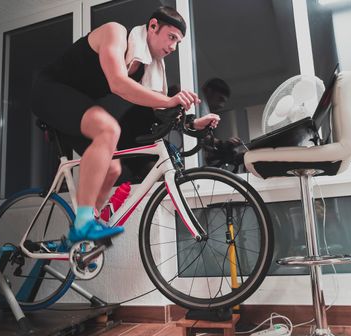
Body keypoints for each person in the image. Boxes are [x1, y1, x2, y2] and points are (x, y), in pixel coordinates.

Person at [31, 6, 220, 242]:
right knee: (109, 129)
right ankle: (83, 223)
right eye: (171, 37)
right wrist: (170, 99)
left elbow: (161, 110)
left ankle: (86, 234)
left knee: (113, 168)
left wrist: (193, 125)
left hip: (77, 104)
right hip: (49, 90)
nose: (173, 47)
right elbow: (118, 83)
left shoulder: (150, 69)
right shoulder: (115, 32)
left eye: (178, 43)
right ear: (153, 26)